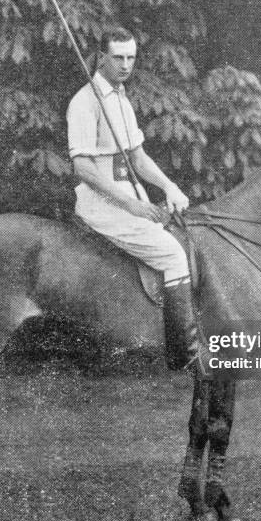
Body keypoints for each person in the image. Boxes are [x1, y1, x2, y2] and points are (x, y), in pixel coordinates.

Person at [66, 27, 205, 373]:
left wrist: (169, 187)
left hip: (128, 195)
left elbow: (137, 158)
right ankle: (185, 353)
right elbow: (83, 168)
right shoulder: (85, 102)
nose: (126, 64)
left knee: (180, 238)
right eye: (118, 57)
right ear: (101, 57)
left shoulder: (121, 99)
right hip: (101, 203)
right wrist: (133, 206)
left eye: (131, 57)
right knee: (174, 256)